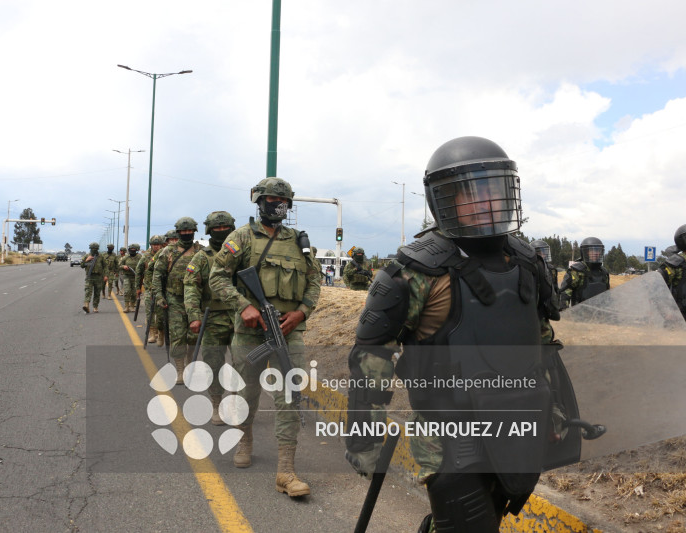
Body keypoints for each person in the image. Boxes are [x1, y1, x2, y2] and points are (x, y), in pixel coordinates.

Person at [343, 137, 562, 532]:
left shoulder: (526, 260)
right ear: (442, 201)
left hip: (518, 429)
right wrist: (364, 438)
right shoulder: (417, 269)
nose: (484, 203)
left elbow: (542, 344)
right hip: (450, 436)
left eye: (492, 191)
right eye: (469, 194)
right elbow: (372, 355)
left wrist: (557, 409)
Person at [209, 177, 322, 497]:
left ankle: (286, 471)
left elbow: (314, 283)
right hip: (250, 332)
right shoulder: (241, 237)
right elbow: (218, 278)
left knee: (290, 395)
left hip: (290, 332)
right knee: (247, 393)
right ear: (259, 202)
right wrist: (243, 306)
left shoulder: (300, 242)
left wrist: (302, 312)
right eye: (271, 200)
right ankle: (244, 438)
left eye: (283, 201)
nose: (277, 206)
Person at [184, 211, 236, 424]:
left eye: (225, 228)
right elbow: (191, 287)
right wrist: (194, 316)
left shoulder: (241, 254)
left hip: (240, 316)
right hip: (211, 318)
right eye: (217, 229)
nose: (222, 232)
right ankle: (216, 404)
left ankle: (235, 403)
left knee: (243, 364)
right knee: (214, 364)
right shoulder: (202, 257)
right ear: (209, 231)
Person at [153, 218, 204, 383]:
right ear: (178, 232)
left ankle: (191, 366)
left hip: (196, 301)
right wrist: (159, 296)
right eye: (183, 231)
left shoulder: (200, 251)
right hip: (174, 300)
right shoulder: (167, 252)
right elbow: (157, 275)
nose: (187, 234)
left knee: (193, 337)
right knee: (177, 336)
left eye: (190, 231)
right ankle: (181, 371)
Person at [559, 237, 609, 309]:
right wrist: (565, 314)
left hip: (600, 316)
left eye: (598, 250)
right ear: (585, 252)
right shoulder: (575, 272)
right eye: (592, 250)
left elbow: (607, 296)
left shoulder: (604, 272)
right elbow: (564, 295)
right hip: (580, 315)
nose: (595, 253)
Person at [136, 235, 166, 344]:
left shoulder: (165, 254)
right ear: (151, 245)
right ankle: (153, 334)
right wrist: (138, 288)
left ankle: (161, 333)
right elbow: (139, 273)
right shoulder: (145, 257)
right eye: (154, 245)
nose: (156, 247)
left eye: (158, 245)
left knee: (161, 314)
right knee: (150, 312)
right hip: (149, 289)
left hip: (162, 290)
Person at [659, 224, 686, 319]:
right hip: (680, 318)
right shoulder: (677, 263)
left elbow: (655, 287)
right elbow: (657, 284)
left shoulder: (675, 264)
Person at [81, 242, 108, 313]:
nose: (94, 250)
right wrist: (87, 260)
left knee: (97, 292)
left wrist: (105, 275)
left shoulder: (101, 256)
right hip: (89, 277)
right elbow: (82, 265)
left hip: (98, 277)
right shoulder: (87, 256)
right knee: (88, 291)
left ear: (97, 249)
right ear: (90, 249)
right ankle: (86, 305)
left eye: (95, 249)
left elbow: (105, 266)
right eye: (92, 249)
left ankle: (95, 307)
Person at [119, 244, 143, 312]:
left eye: (134, 250)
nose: (132, 251)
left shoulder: (139, 257)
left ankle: (132, 305)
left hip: (136, 277)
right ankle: (126, 306)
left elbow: (144, 265)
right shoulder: (125, 258)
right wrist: (123, 267)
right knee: (127, 291)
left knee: (134, 292)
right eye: (131, 249)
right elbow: (119, 265)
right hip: (127, 276)